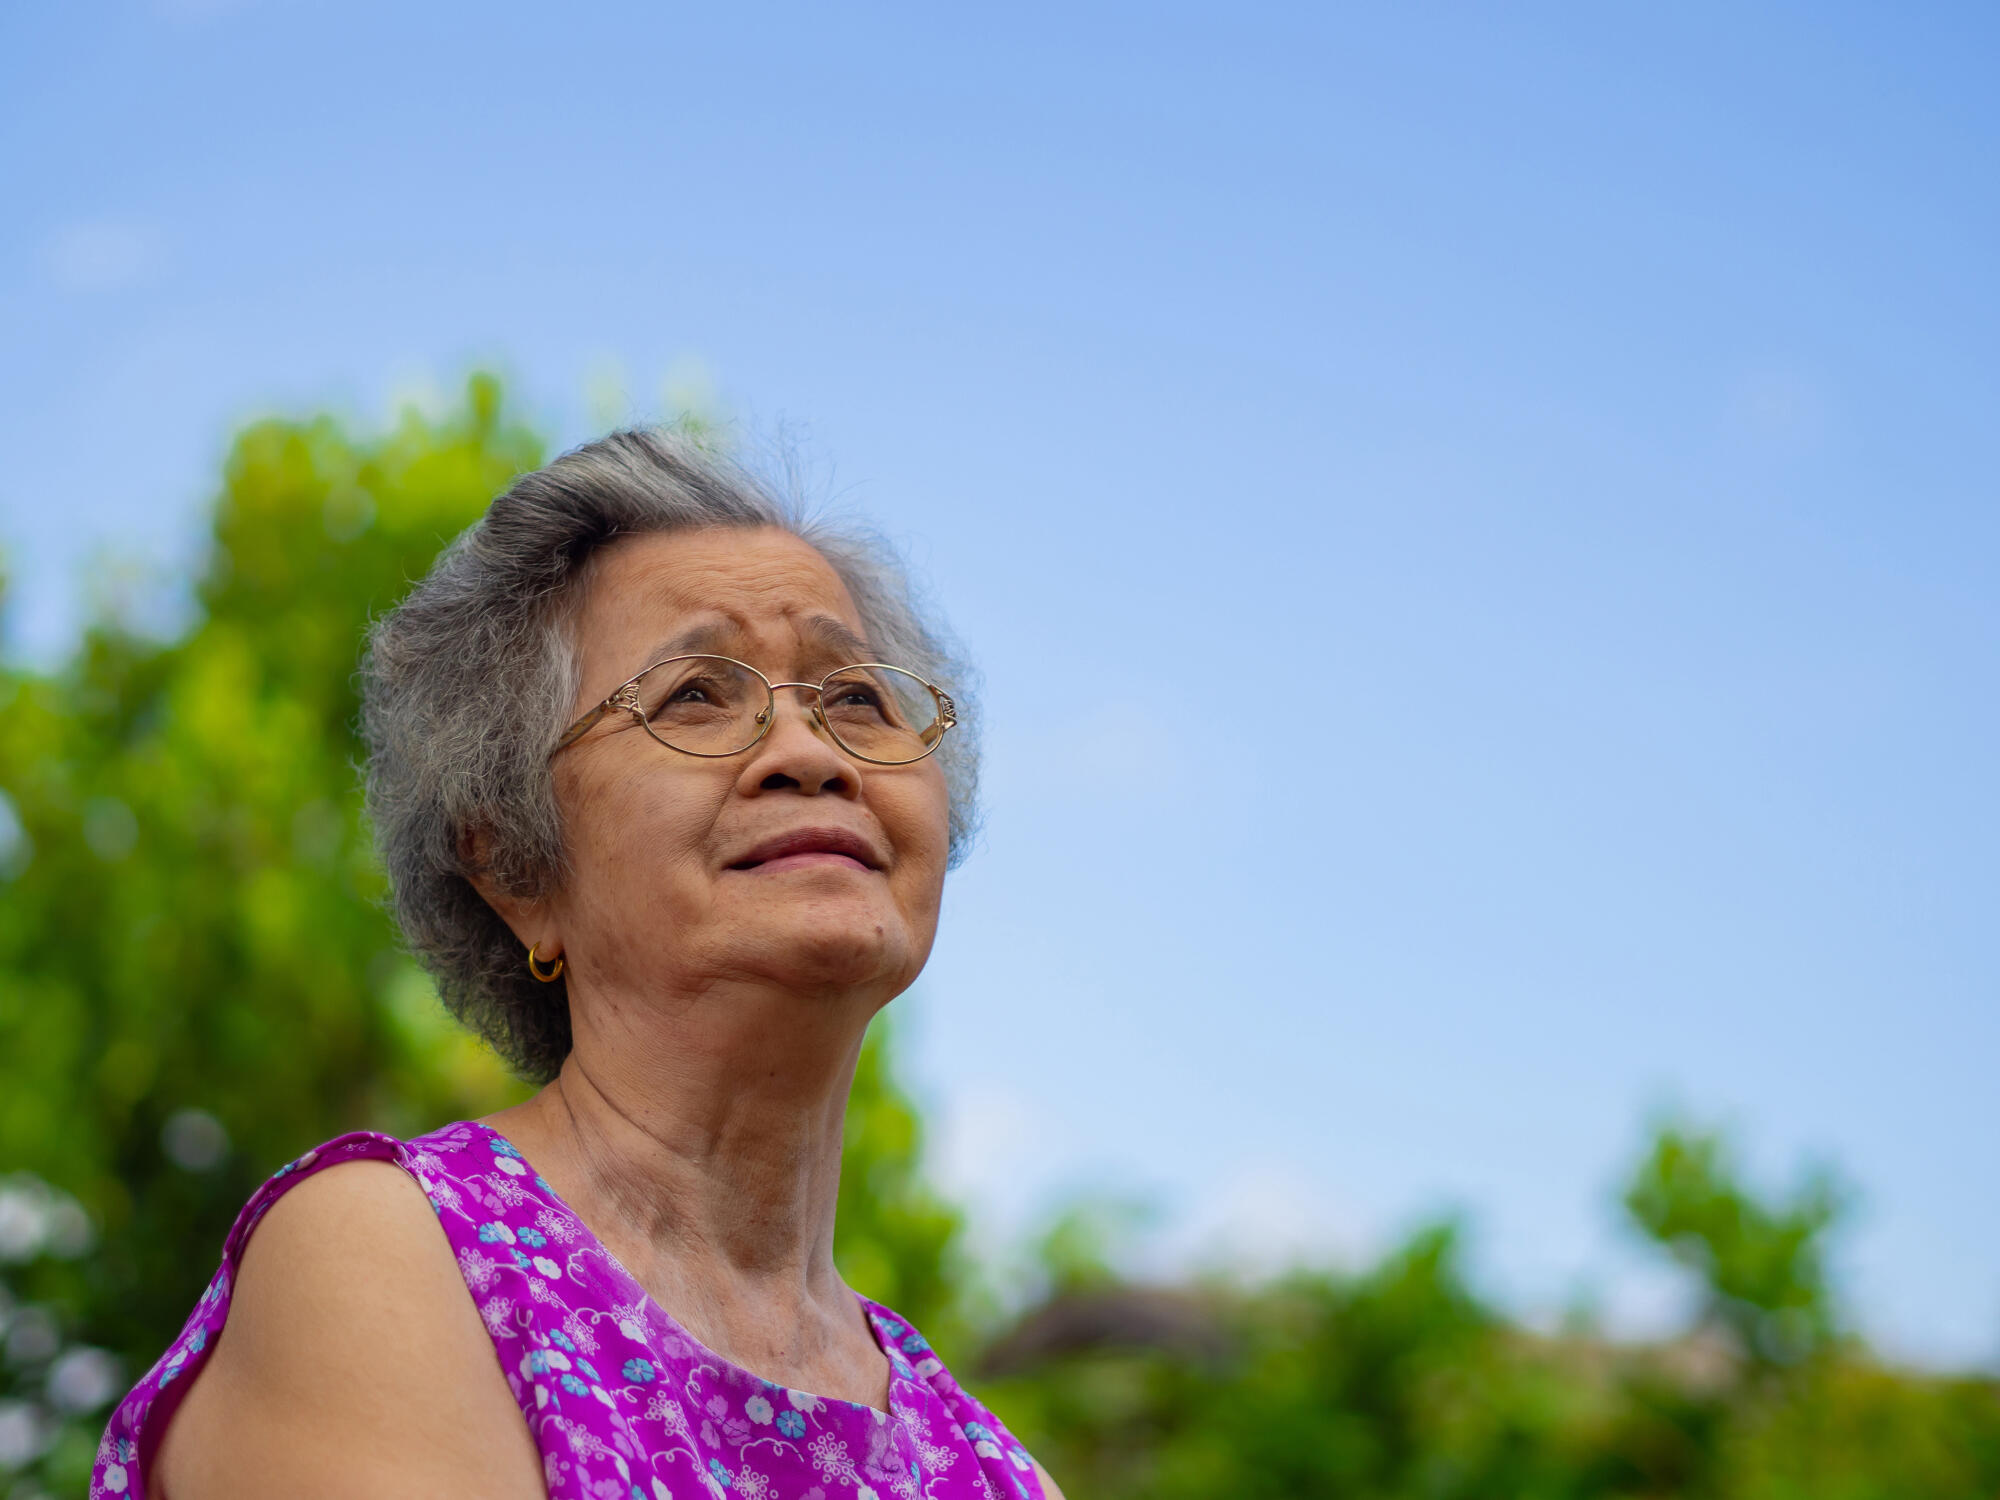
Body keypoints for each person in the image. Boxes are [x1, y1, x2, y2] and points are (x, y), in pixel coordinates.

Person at [91, 430, 1062, 1500]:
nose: (810, 754)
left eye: (857, 700)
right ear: (512, 865)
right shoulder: (391, 1257)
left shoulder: (983, 1464)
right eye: (696, 693)